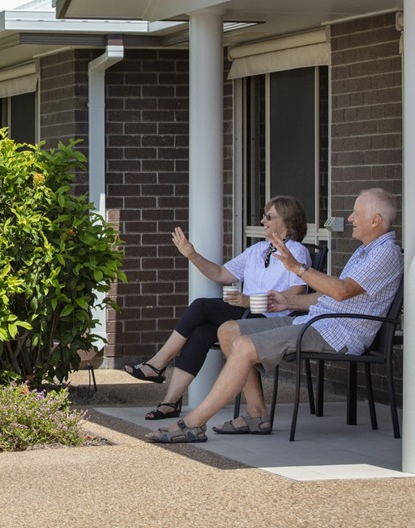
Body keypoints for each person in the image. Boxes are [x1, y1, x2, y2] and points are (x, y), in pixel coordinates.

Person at [146, 187, 402, 443]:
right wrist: (288, 301)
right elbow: (331, 294)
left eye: (355, 213)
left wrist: (297, 268)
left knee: (244, 345)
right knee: (228, 330)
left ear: (375, 220)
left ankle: (194, 423)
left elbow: (342, 291)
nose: (350, 219)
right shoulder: (365, 251)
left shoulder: (385, 253)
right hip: (317, 322)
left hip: (337, 333)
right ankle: (256, 414)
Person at [125, 195, 310, 422]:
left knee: (201, 306)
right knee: (202, 332)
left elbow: (297, 292)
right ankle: (170, 402)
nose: (263, 221)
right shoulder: (258, 250)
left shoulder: (297, 252)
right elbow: (221, 274)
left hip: (271, 319)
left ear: (288, 222)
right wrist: (191, 254)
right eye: (264, 216)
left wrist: (251, 300)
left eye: (269, 217)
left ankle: (158, 363)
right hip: (245, 312)